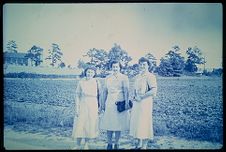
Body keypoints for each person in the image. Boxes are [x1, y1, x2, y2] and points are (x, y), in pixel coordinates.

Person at [100, 60, 130, 149]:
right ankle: (109, 143)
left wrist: (127, 102)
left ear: (120, 67)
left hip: (120, 102)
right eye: (113, 67)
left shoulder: (124, 77)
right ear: (111, 68)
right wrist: (102, 103)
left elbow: (126, 91)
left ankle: (116, 143)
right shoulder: (107, 78)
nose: (115, 68)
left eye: (117, 67)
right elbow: (104, 92)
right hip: (109, 102)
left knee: (118, 124)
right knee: (109, 123)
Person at [129, 57, 157, 149]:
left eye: (144, 64)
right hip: (137, 102)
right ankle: (139, 143)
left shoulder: (150, 76)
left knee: (144, 122)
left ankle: (144, 145)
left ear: (148, 65)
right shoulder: (138, 76)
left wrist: (141, 96)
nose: (142, 66)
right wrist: (134, 96)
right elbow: (134, 89)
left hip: (145, 102)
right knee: (137, 122)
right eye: (140, 64)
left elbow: (153, 90)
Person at [71, 66, 101, 149]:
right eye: (88, 72)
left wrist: (100, 107)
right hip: (83, 103)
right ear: (85, 72)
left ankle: (86, 144)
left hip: (93, 104)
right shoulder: (81, 82)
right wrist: (77, 107)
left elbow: (100, 95)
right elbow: (77, 95)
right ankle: (78, 144)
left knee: (89, 124)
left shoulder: (97, 82)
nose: (89, 74)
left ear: (94, 74)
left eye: (92, 72)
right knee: (80, 123)